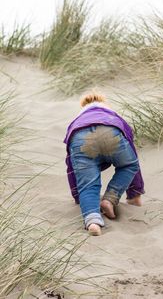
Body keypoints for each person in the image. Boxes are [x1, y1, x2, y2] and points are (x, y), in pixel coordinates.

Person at [64, 93, 144, 236]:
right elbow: (133, 156)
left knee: (88, 186)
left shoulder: (76, 121)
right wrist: (134, 194)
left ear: (83, 109)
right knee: (129, 165)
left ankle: (93, 222)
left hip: (80, 138)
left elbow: (71, 168)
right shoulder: (114, 117)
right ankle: (110, 199)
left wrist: (78, 196)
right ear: (106, 106)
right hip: (111, 131)